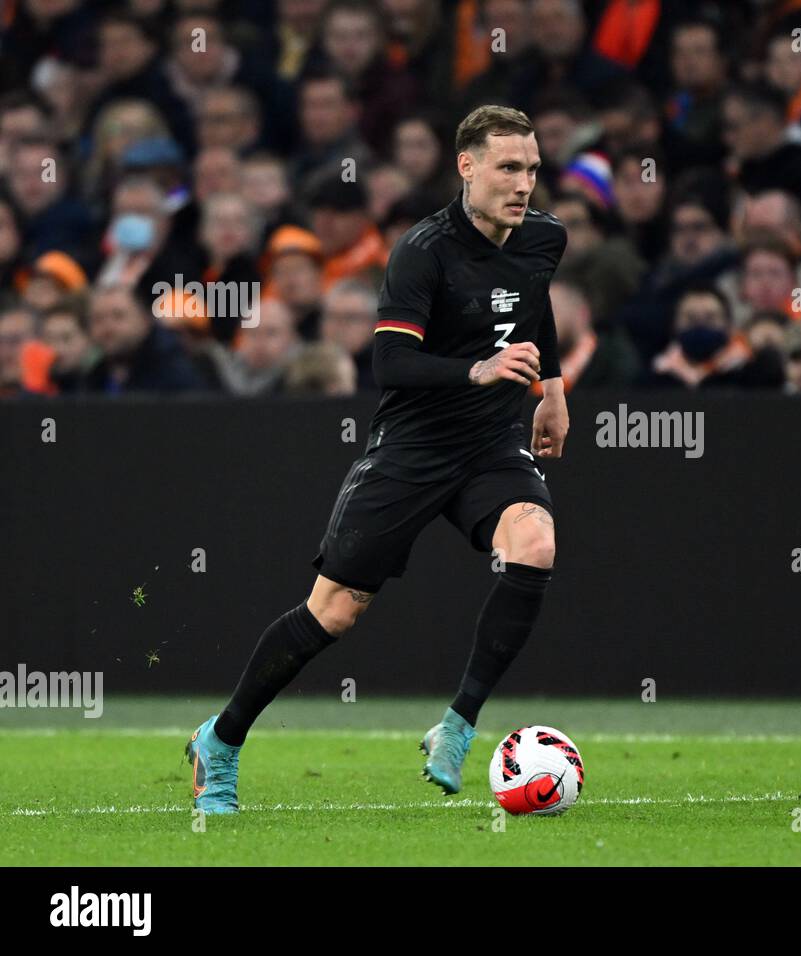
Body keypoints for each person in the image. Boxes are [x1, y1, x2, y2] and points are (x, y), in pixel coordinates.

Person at [185, 105, 570, 813]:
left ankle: (456, 727)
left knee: (536, 544)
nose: (524, 184)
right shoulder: (422, 251)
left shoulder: (545, 237)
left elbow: (536, 305)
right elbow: (391, 364)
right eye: (509, 168)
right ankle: (222, 738)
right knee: (333, 612)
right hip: (413, 448)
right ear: (468, 167)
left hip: (490, 446)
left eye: (533, 169)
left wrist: (553, 391)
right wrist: (479, 371)